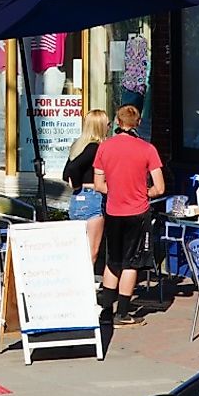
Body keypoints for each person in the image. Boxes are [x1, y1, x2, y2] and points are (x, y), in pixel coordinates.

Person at [93, 104, 168, 321]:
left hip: (114, 211)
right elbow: (160, 188)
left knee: (113, 260)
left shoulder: (105, 147)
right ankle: (123, 313)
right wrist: (144, 192)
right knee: (131, 262)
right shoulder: (147, 149)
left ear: (117, 122)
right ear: (138, 123)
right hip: (137, 211)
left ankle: (106, 311)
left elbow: (99, 184)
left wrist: (117, 189)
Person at [62, 110, 110, 261]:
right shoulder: (94, 148)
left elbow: (65, 173)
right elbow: (72, 169)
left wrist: (76, 186)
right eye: (107, 124)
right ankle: (85, 282)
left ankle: (78, 279)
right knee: (92, 250)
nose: (109, 127)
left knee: (79, 246)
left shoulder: (78, 146)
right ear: (100, 126)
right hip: (92, 197)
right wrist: (76, 184)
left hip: (77, 199)